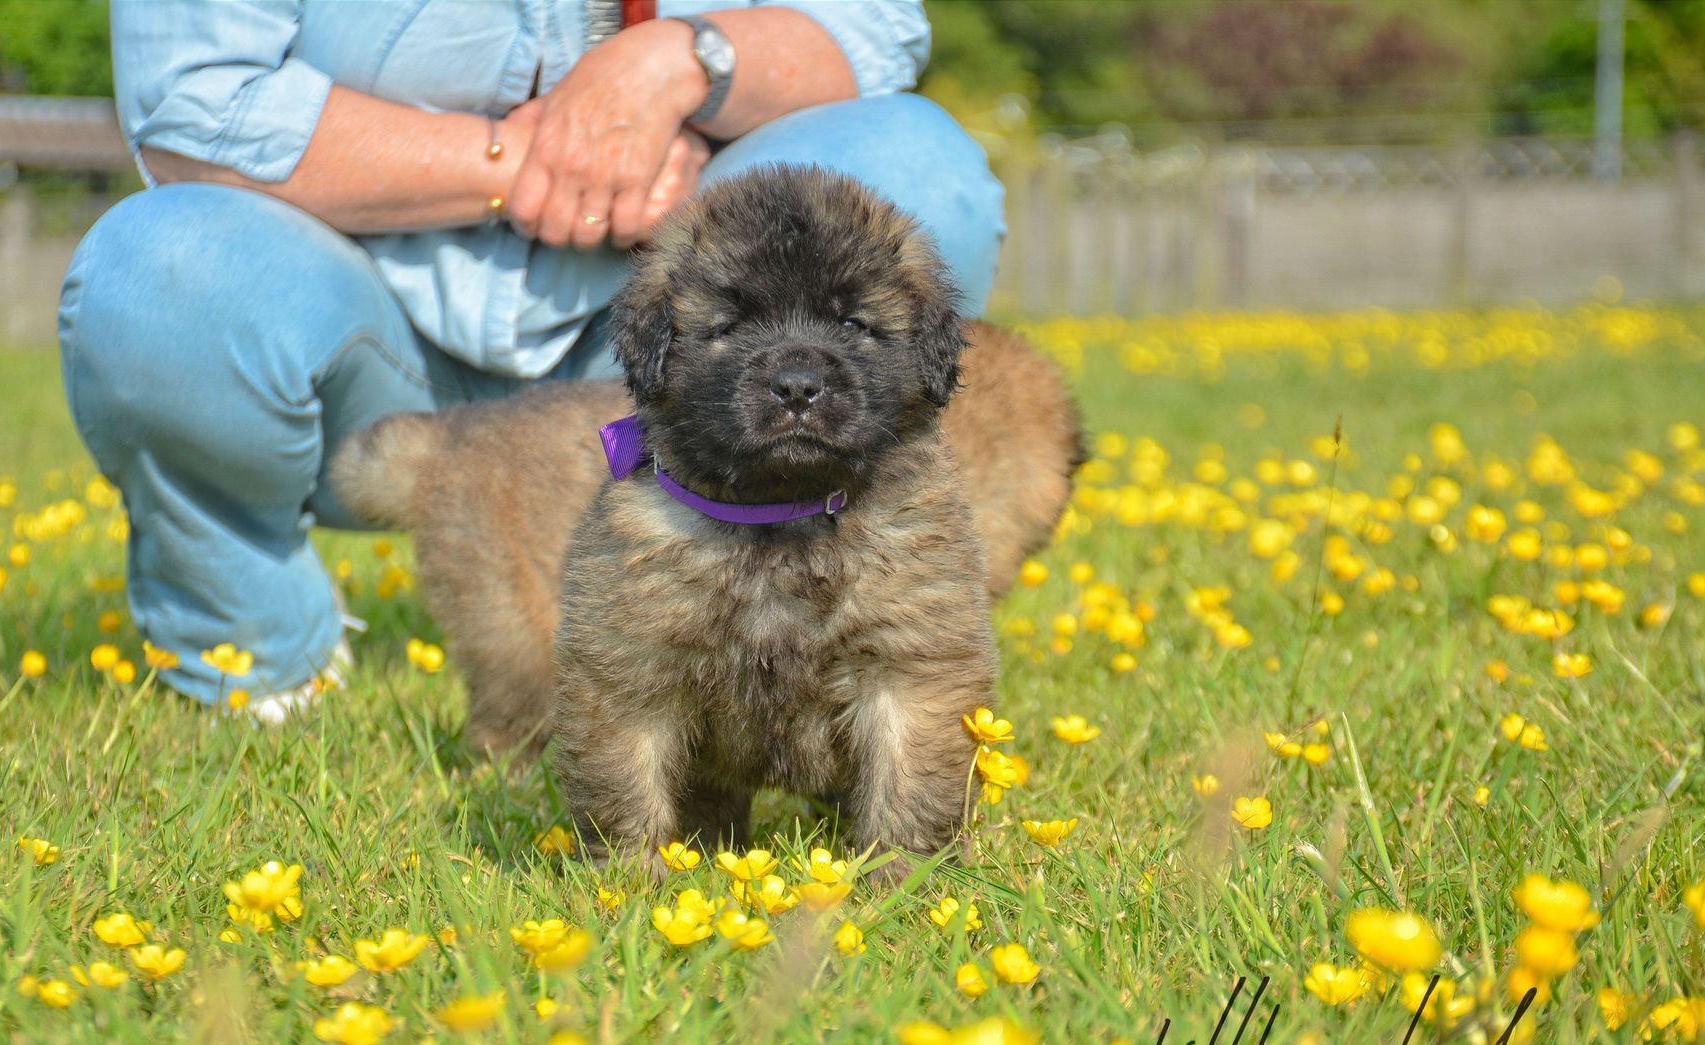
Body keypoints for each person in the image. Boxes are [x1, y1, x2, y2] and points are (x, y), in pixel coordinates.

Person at [59, 0, 1006, 722]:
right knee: (161, 273)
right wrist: (538, 164)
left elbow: (873, 28)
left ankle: (827, 629)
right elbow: (194, 103)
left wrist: (681, 60)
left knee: (920, 175)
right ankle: (254, 658)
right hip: (357, 332)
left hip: (670, 357)